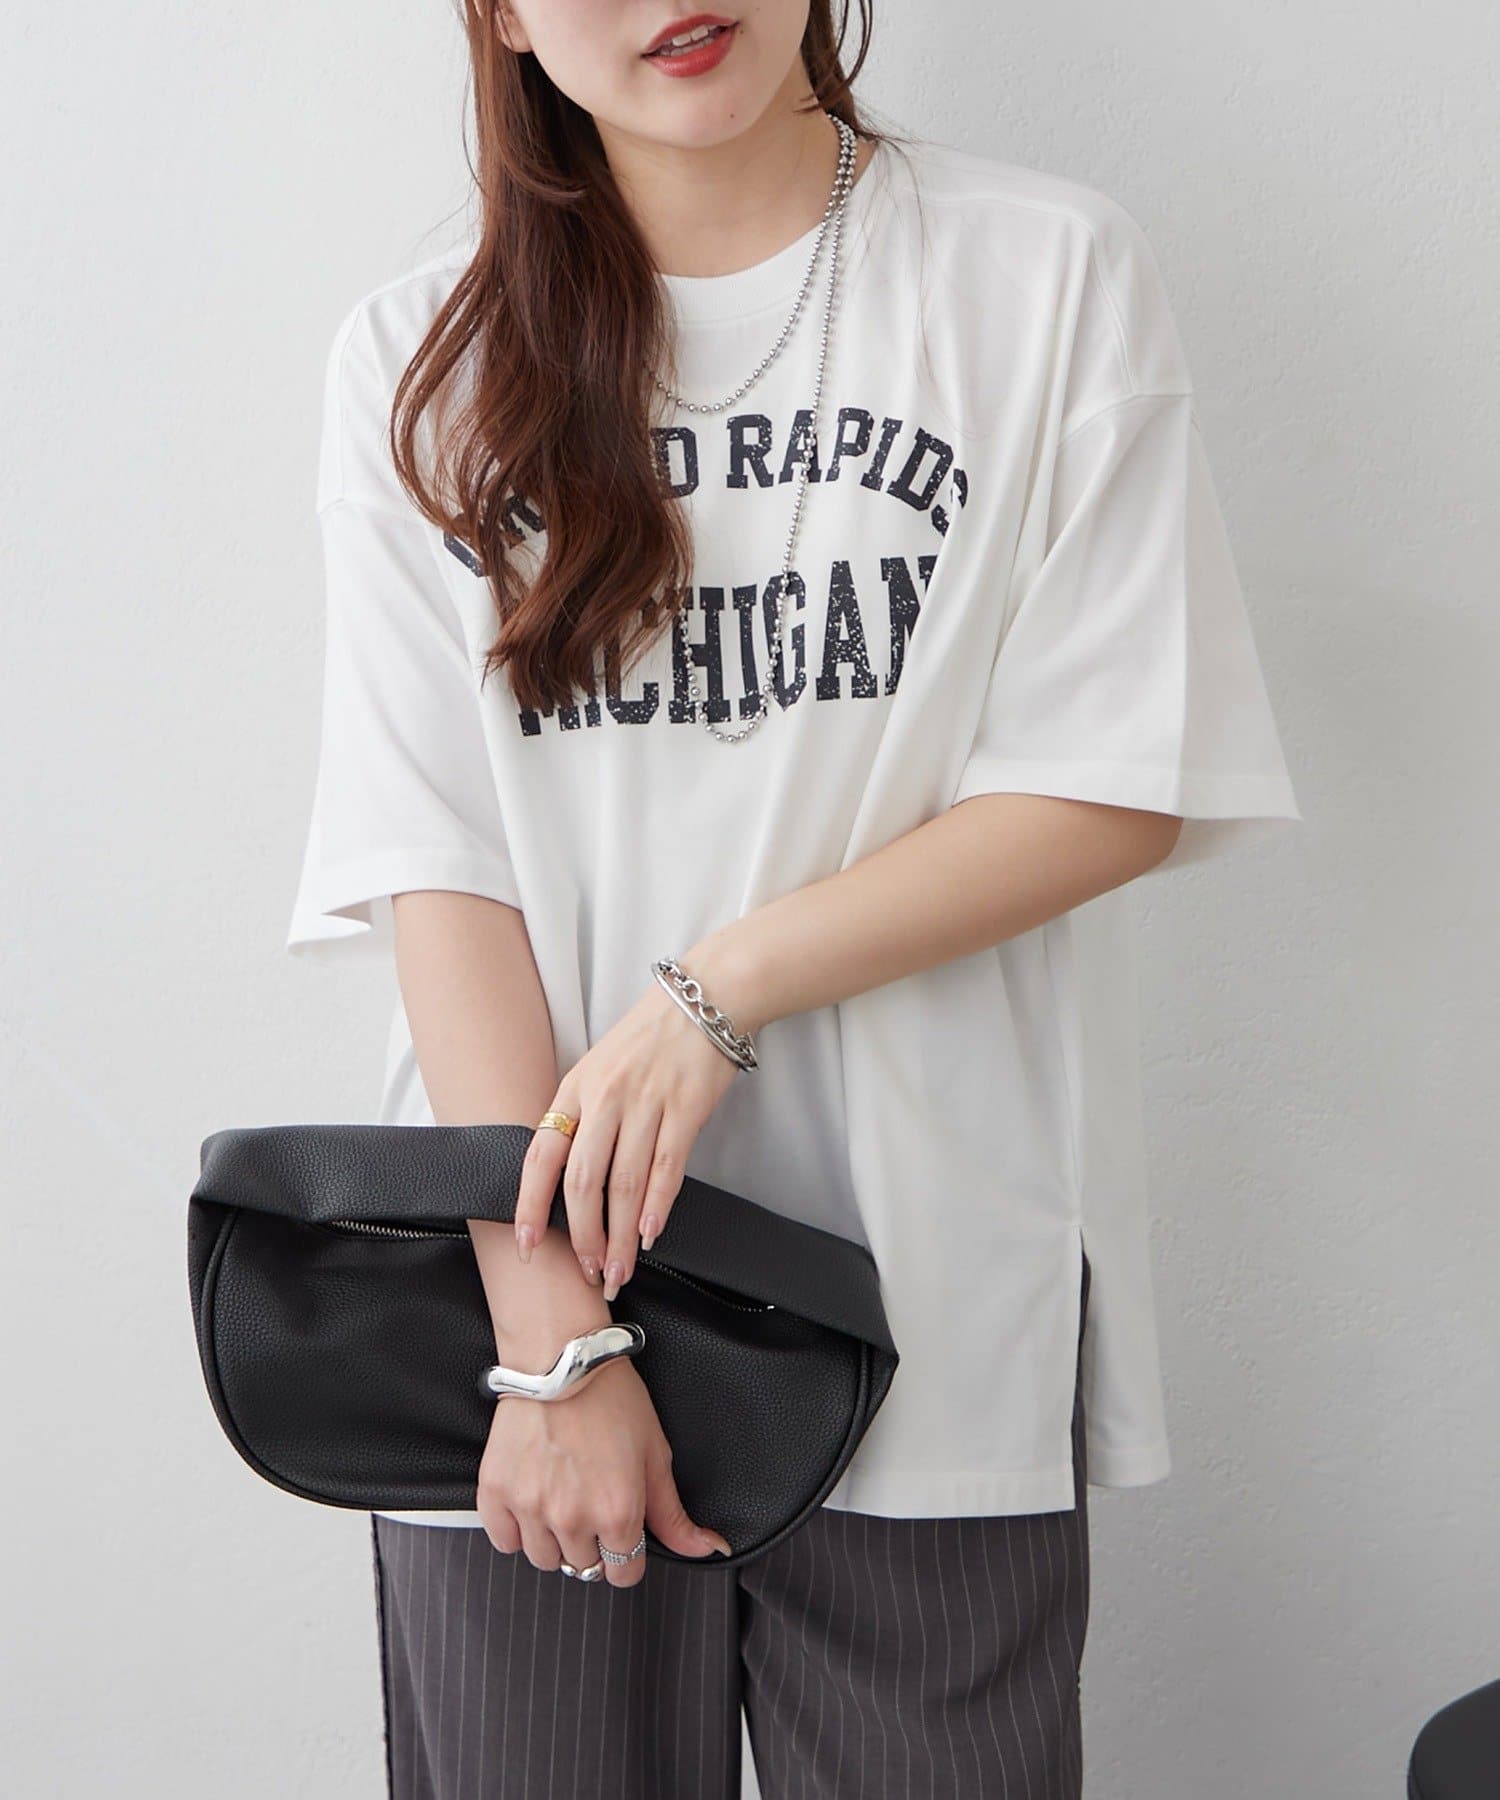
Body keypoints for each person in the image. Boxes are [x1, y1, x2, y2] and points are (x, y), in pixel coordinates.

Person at [283, 3, 1301, 1795]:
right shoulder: (423, 359)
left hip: (926, 1305)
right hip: (525, 1319)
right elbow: (437, 869)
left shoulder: (1040, 274)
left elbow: (1115, 778)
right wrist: (554, 1347)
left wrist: (715, 995)